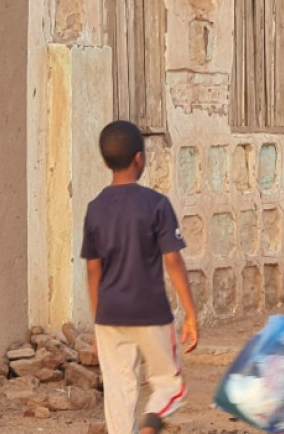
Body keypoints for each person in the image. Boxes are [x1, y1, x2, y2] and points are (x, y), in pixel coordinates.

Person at [81, 120, 199, 434]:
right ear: (139, 159)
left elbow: (93, 269)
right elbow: (172, 259)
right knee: (169, 385)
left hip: (109, 315)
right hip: (151, 312)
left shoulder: (94, 209)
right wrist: (190, 313)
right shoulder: (156, 204)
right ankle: (149, 428)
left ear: (106, 161)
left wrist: (97, 319)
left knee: (119, 393)